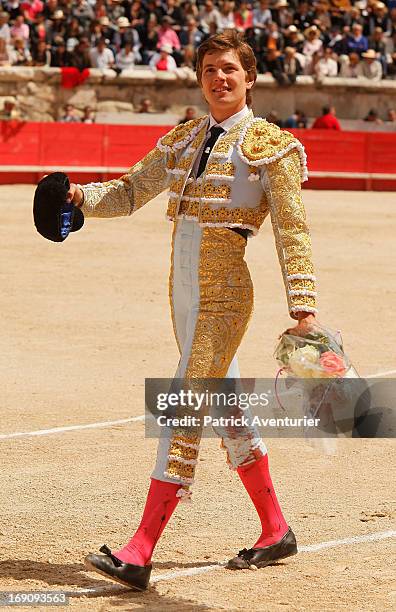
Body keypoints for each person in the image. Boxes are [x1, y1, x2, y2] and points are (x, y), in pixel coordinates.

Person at [66, 30, 317, 590]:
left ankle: (140, 549)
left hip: (225, 295)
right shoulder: (184, 138)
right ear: (200, 78)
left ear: (249, 77)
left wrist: (303, 306)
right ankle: (276, 529)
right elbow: (131, 191)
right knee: (225, 408)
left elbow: (293, 228)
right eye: (209, 71)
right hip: (182, 295)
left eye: (229, 69)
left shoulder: (269, 145)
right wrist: (80, 196)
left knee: (182, 402)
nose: (219, 80)